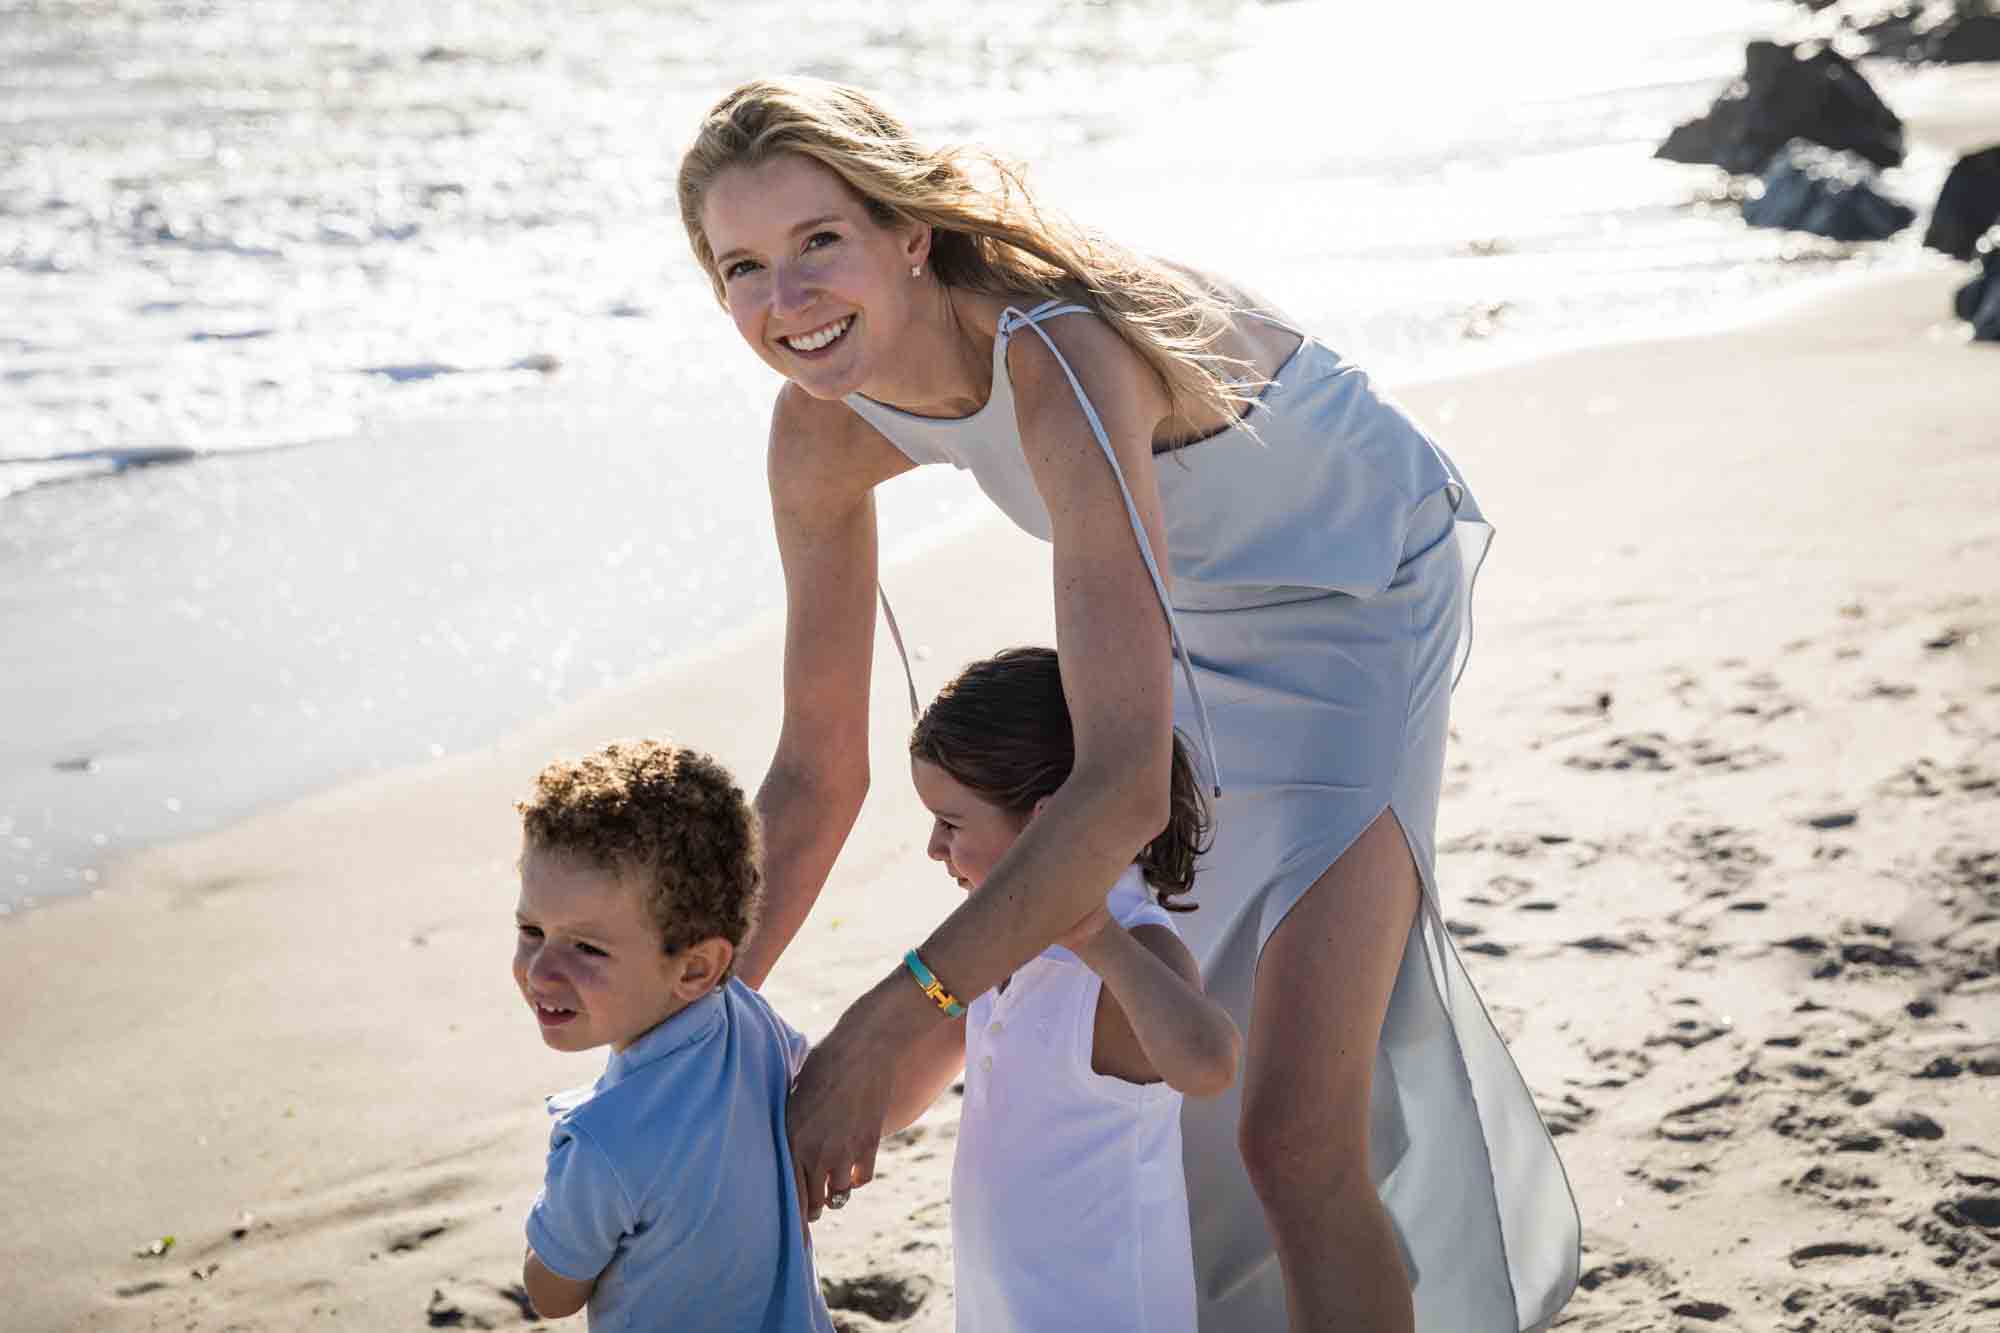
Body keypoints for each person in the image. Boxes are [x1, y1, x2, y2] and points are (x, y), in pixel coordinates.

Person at [678, 77, 1581, 1330]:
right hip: (1177, 620)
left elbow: (1120, 788)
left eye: (817, 240)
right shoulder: (817, 433)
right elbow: (814, 777)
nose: (786, 301)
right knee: (1176, 1085)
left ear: (906, 233)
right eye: (741, 266)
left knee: (1289, 1132)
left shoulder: (1055, 351)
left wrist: (892, 1019)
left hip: (1352, 597)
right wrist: (693, 1026)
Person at [885, 646, 1240, 1331]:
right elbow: (903, 1089)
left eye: (951, 823)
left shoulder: (1128, 948)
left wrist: (1095, 939)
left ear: (1044, 822)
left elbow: (1209, 1061)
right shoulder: (998, 940)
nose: (933, 846)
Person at [511, 738, 835, 1332]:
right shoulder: (746, 1020)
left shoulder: (602, 1144)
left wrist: (560, 1202)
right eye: (532, 930)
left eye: (586, 947)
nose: (541, 971)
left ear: (694, 968)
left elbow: (552, 1293)